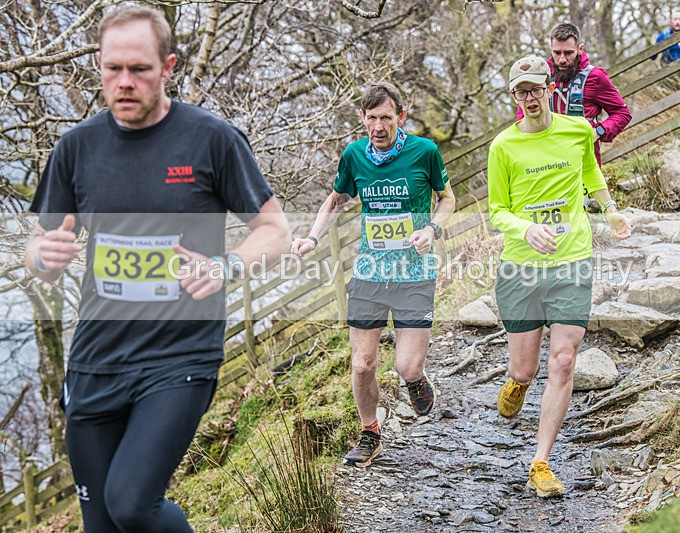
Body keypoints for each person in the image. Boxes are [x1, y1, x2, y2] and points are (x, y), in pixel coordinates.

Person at [25, 5, 290, 532]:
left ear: (167, 67)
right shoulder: (75, 149)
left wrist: (227, 265)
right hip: (96, 358)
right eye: (112, 68)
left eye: (139, 69)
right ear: (99, 66)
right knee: (102, 524)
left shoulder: (211, 139)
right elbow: (40, 252)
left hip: (179, 355)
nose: (124, 82)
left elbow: (276, 231)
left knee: (131, 504)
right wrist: (42, 256)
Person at [291, 82, 455, 468]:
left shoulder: (424, 152)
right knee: (363, 363)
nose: (378, 126)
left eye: (386, 117)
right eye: (371, 118)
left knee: (407, 366)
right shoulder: (354, 156)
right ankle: (370, 433)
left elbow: (448, 198)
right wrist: (312, 238)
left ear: (401, 117)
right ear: (362, 118)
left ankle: (415, 379)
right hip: (369, 272)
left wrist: (432, 230)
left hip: (414, 272)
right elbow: (336, 200)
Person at [490, 54, 631, 497]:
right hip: (521, 266)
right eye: (521, 92)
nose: (530, 97)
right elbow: (497, 211)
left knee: (564, 360)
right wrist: (526, 229)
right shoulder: (503, 147)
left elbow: (590, 172)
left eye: (536, 88)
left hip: (571, 260)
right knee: (526, 368)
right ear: (514, 96)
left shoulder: (578, 130)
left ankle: (541, 462)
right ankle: (518, 381)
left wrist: (609, 209)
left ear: (550, 88)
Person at [516, 22, 632, 168]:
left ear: (580, 49)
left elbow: (622, 113)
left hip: (584, 162)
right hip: (546, 160)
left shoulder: (595, 77)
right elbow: (523, 112)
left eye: (568, 53)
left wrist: (599, 131)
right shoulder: (540, 77)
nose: (562, 59)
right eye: (557, 53)